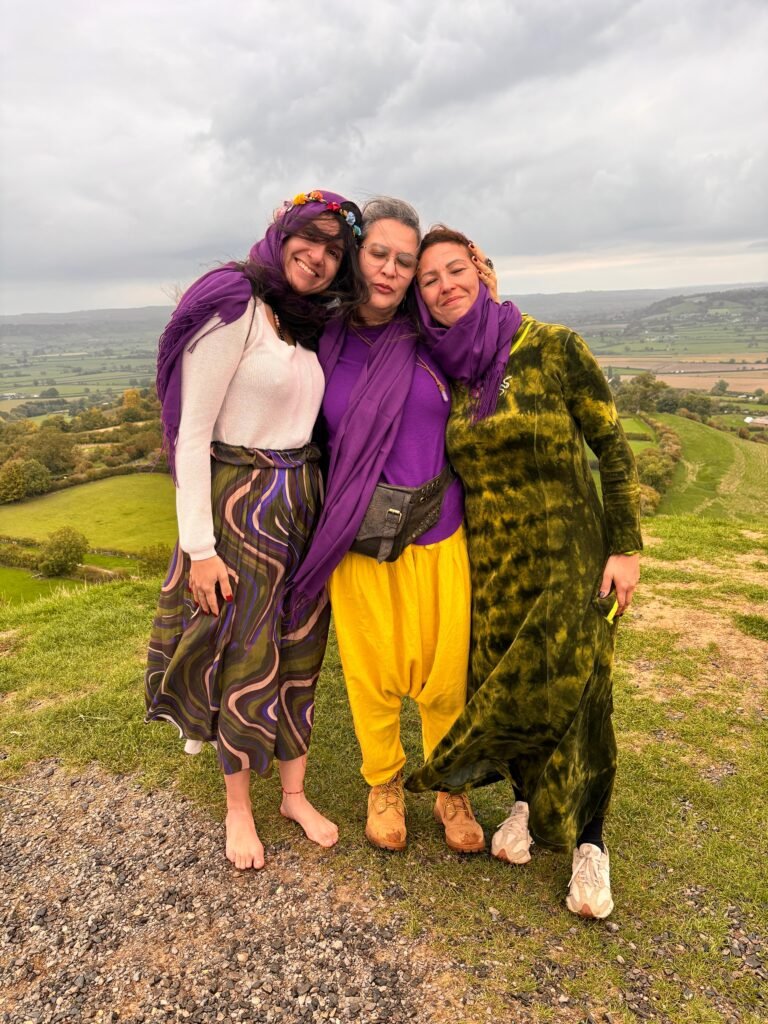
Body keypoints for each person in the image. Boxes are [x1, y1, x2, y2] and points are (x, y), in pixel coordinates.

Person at [406, 226, 642, 919]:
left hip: (571, 558)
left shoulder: (552, 346)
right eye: (429, 279)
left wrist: (625, 548)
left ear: (480, 272)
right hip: (492, 569)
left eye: (455, 270)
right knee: (511, 688)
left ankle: (590, 843)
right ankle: (524, 805)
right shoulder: (447, 371)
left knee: (578, 692)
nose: (445, 285)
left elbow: (613, 449)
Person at [145, 189, 367, 871]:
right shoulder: (234, 302)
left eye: (335, 250)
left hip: (303, 501)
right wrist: (199, 549)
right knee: (243, 652)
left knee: (300, 645)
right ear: (281, 231)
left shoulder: (303, 321)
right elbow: (191, 435)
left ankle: (294, 795)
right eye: (310, 238)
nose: (319, 256)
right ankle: (239, 808)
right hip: (241, 502)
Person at [287, 198, 486, 854]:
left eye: (405, 260)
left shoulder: (432, 335)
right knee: (371, 674)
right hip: (360, 538)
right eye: (379, 254)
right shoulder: (325, 338)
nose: (391, 270)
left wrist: (482, 279)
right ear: (357, 255)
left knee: (444, 675)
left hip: (439, 530)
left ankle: (450, 788)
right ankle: (384, 785)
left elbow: (484, 340)